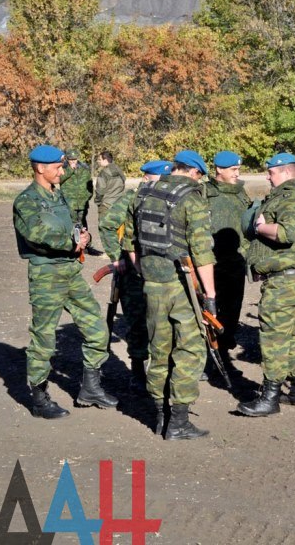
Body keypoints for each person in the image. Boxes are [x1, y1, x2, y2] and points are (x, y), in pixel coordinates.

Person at [13, 144, 118, 419]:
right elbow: (35, 234)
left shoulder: (57, 194)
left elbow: (75, 223)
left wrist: (85, 238)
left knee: (97, 328)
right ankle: (38, 398)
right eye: (58, 167)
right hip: (46, 274)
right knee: (43, 337)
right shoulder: (26, 200)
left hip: (70, 272)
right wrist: (71, 244)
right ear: (40, 168)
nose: (63, 171)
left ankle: (90, 388)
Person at [125, 150, 216, 440]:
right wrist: (210, 295)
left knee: (159, 348)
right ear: (193, 172)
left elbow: (129, 240)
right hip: (182, 285)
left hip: (152, 283)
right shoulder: (191, 198)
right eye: (200, 176)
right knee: (190, 350)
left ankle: (159, 415)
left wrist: (143, 271)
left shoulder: (143, 192)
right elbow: (202, 252)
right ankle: (178, 420)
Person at [239, 153, 295, 416]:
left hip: (286, 278)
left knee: (273, 335)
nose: (267, 176)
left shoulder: (291, 196)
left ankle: (270, 396)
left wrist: (260, 226)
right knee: (291, 335)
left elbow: (288, 233)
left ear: (286, 173)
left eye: (271, 172)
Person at [98, 159, 171, 394]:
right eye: (162, 179)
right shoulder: (131, 198)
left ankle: (162, 371)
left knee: (163, 322)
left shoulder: (170, 199)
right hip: (133, 272)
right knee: (137, 322)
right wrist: (116, 257)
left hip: (161, 270)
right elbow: (107, 226)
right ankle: (138, 371)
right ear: (147, 178)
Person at [204, 150, 251, 362]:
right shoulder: (204, 193)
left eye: (238, 169)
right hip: (211, 264)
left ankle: (224, 346)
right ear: (219, 170)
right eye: (233, 169)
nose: (237, 173)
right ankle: (209, 352)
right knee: (210, 311)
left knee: (233, 309)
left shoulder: (241, 193)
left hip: (236, 262)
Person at [59, 148, 93, 230]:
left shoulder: (84, 170)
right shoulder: (63, 169)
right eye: (71, 159)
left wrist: (87, 197)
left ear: (77, 158)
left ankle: (85, 241)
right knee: (71, 223)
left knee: (82, 223)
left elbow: (90, 185)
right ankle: (73, 241)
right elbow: (59, 179)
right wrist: (70, 169)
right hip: (69, 202)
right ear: (67, 159)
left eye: (74, 159)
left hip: (82, 202)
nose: (73, 161)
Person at [94, 151, 126, 223]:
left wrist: (97, 202)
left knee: (104, 230)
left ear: (105, 160)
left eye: (100, 159)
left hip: (106, 205)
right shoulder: (119, 169)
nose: (98, 161)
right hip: (120, 204)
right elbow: (124, 181)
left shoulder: (103, 173)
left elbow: (100, 191)